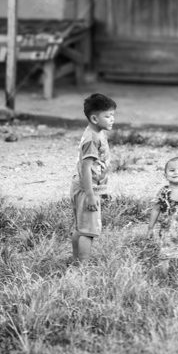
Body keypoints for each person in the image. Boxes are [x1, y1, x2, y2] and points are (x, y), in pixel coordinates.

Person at [71, 93, 116, 262]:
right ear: (95, 119)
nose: (112, 119)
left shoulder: (96, 132)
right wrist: (90, 195)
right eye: (108, 116)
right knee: (87, 232)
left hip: (87, 187)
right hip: (86, 190)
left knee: (81, 226)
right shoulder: (92, 139)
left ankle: (76, 262)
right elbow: (86, 168)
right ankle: (82, 267)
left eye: (113, 115)